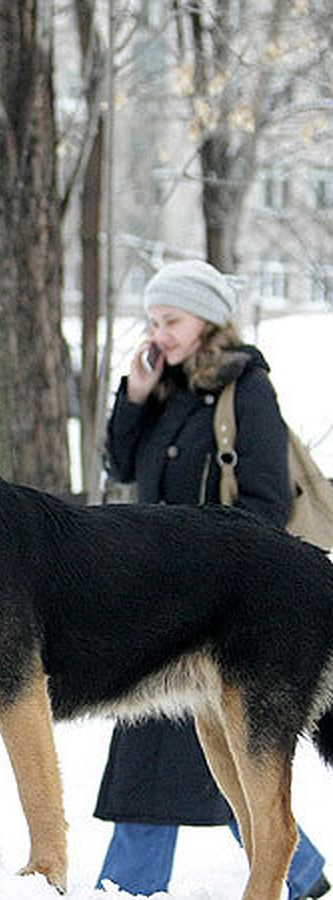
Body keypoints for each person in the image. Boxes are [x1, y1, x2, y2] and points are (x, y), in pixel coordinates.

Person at [94, 258, 329, 898]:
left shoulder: (246, 388)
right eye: (153, 320)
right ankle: (302, 873)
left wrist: (195, 556)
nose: (159, 333)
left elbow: (265, 504)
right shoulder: (163, 391)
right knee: (210, 758)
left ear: (206, 318)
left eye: (171, 320)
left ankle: (125, 888)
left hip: (225, 602)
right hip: (159, 597)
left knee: (186, 757)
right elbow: (119, 464)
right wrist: (135, 397)